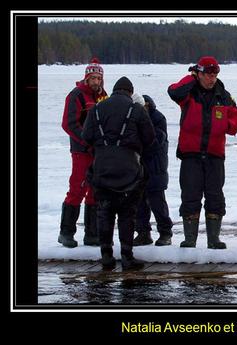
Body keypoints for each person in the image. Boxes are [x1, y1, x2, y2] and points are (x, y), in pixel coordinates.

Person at [167, 56, 237, 249]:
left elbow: (236, 117)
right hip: (191, 155)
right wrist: (191, 78)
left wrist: (226, 124)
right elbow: (173, 91)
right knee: (190, 196)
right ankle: (190, 239)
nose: (212, 79)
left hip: (214, 156)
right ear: (199, 74)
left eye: (215, 75)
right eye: (208, 75)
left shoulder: (223, 95)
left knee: (215, 196)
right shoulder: (189, 93)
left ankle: (214, 239)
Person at [82, 77, 155, 269]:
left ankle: (106, 254)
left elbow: (86, 136)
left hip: (102, 167)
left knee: (104, 212)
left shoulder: (96, 109)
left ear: (114, 91)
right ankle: (126, 255)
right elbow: (150, 137)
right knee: (126, 214)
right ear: (130, 92)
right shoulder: (136, 109)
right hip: (129, 169)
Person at [58, 57, 108, 248]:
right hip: (81, 151)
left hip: (98, 151)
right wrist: (86, 141)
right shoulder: (77, 95)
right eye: (93, 78)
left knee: (95, 190)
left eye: (98, 78)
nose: (96, 82)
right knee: (77, 188)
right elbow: (69, 124)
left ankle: (92, 234)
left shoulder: (103, 96)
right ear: (86, 78)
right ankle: (66, 232)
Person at [131, 94, 174, 247]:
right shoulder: (132, 118)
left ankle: (165, 232)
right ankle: (143, 233)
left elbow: (156, 141)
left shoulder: (157, 118)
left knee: (157, 202)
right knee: (139, 202)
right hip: (138, 167)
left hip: (156, 167)